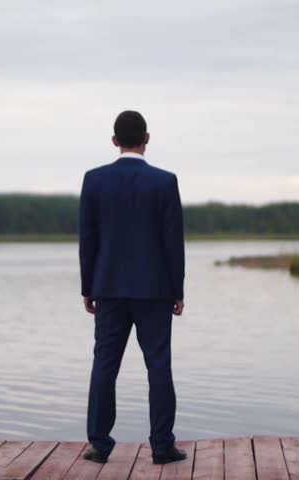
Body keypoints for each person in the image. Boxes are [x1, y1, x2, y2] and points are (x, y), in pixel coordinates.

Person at [78, 110, 186, 465]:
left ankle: (99, 445)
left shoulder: (94, 180)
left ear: (114, 141)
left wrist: (88, 288)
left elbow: (88, 240)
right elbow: (173, 242)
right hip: (155, 290)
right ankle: (162, 446)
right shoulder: (165, 182)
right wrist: (177, 290)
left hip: (108, 288)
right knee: (158, 365)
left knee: (104, 366)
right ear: (147, 139)